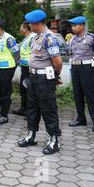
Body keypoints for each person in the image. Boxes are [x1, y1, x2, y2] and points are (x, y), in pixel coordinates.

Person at [18, 9, 62, 155]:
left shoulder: (49, 38)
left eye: (31, 23)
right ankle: (31, 135)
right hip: (33, 77)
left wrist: (56, 75)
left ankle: (54, 139)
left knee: (48, 108)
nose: (29, 25)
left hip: (45, 78)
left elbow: (58, 62)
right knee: (32, 107)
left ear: (37, 23)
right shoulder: (36, 37)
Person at [67, 16, 94, 132]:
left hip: (87, 68)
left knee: (90, 95)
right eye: (72, 26)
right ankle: (80, 118)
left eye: (75, 25)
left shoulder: (91, 37)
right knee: (77, 94)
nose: (73, 28)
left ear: (82, 26)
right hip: (75, 68)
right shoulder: (72, 39)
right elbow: (71, 53)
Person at [12, 22, 35, 116]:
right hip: (24, 67)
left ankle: (30, 110)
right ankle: (23, 108)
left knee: (28, 89)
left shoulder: (32, 38)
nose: (20, 29)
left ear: (26, 28)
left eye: (21, 27)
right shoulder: (26, 38)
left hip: (30, 68)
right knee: (23, 88)